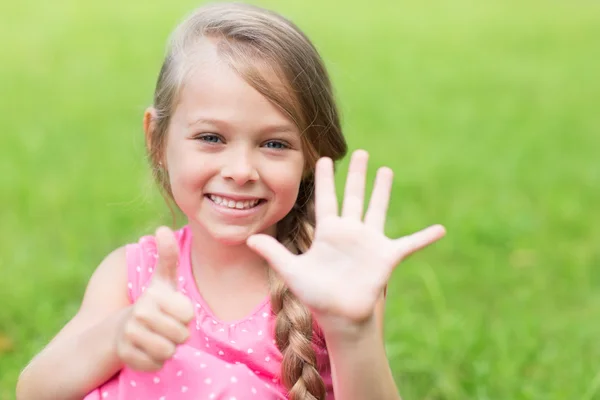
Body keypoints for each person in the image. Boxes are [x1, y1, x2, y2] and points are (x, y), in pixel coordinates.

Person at [16, 2, 446, 399]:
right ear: (158, 141)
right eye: (210, 138)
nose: (241, 170)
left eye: (275, 144)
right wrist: (117, 335)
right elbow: (34, 390)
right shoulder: (129, 277)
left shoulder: (333, 279)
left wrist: (352, 330)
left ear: (310, 155)